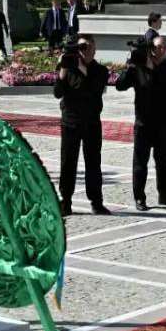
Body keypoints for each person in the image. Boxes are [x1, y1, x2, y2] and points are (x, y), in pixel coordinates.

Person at [116, 35, 166, 211]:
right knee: (140, 162)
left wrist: (151, 69)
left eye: (163, 47)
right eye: (156, 48)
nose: (160, 50)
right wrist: (130, 65)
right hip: (143, 122)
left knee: (163, 162)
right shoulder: (138, 67)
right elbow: (120, 85)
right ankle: (139, 198)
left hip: (163, 121)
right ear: (150, 49)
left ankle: (165, 196)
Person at [54, 34, 111, 216]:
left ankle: (96, 201)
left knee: (93, 162)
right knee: (68, 162)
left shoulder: (100, 70)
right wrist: (62, 71)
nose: (85, 51)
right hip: (70, 121)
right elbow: (57, 93)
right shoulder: (68, 68)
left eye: (88, 47)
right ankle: (66, 201)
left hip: (92, 122)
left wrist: (81, 68)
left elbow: (92, 91)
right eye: (81, 47)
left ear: (95, 50)